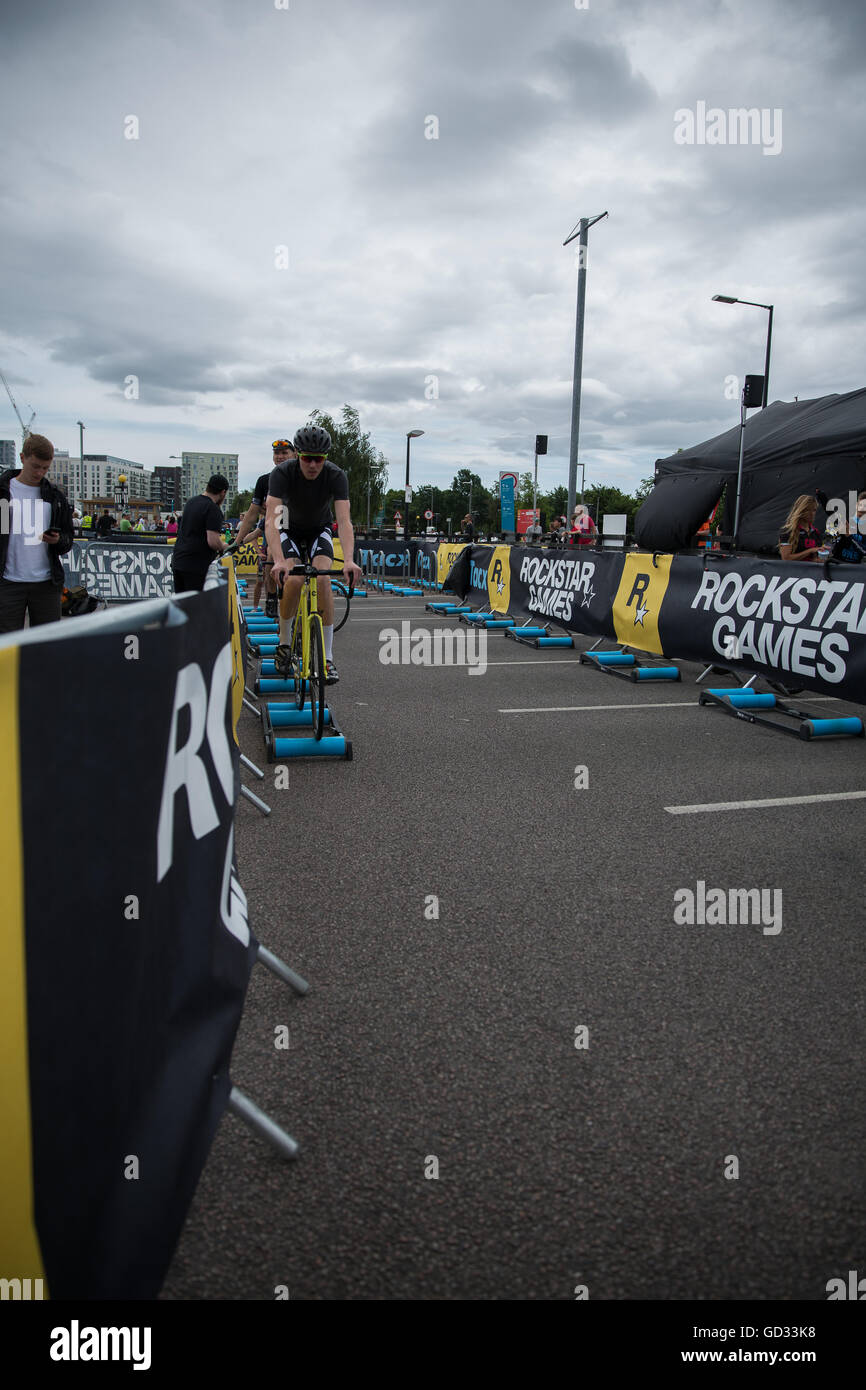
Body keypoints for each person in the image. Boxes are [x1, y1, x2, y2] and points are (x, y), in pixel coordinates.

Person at [266, 425, 362, 684]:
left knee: (323, 579)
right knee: (295, 579)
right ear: (297, 454)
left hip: (319, 528)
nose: (312, 465)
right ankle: (285, 643)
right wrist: (277, 561)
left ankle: (327, 659)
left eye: (318, 459)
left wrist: (350, 559)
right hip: (289, 528)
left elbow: (344, 522)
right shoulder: (282, 473)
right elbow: (272, 520)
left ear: (326, 458)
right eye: (307, 458)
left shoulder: (336, 475)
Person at [0, 433, 73, 633]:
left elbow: (68, 540)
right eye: (35, 466)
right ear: (22, 458)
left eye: (45, 468)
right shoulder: (4, 493)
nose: (40, 472)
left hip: (46, 584)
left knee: (46, 647)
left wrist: (57, 540)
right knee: (7, 646)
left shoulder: (55, 497)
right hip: (8, 582)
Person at [234, 439, 297, 618]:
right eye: (277, 453)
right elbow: (252, 513)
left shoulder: (302, 477)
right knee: (271, 557)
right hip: (276, 527)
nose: (280, 457)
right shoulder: (264, 481)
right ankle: (271, 598)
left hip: (299, 528)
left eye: (285, 453)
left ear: (294, 455)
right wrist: (237, 542)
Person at [171, 474, 233, 593]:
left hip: (178, 561)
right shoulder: (212, 508)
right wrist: (224, 546)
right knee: (198, 607)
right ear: (223, 492)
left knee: (183, 606)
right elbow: (213, 541)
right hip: (196, 566)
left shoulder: (191, 502)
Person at [779, 495, 822, 562]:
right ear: (800, 510)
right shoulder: (788, 531)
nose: (811, 514)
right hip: (794, 571)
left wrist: (820, 559)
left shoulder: (816, 532)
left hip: (812, 571)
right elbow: (786, 558)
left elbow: (815, 558)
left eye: (814, 510)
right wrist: (810, 551)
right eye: (808, 510)